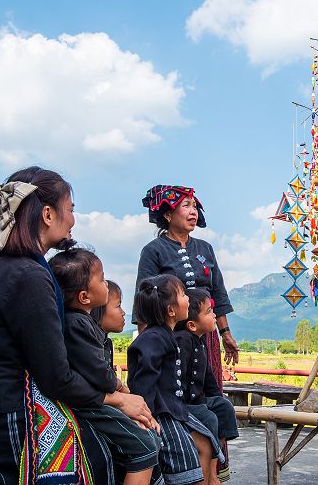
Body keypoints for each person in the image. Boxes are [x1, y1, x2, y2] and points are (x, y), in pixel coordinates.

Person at [0, 166, 155, 485]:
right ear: (48, 214)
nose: (73, 219)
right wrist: (119, 399)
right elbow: (56, 377)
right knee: (118, 455)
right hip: (3, 424)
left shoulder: (13, 270)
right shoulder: (29, 277)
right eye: (70, 210)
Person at [134, 184, 238, 479]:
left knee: (208, 396)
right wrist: (147, 344)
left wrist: (225, 332)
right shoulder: (153, 250)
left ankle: (215, 468)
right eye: (186, 206)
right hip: (170, 338)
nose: (193, 211)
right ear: (167, 214)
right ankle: (182, 463)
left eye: (195, 206)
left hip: (205, 336)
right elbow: (145, 297)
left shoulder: (205, 249)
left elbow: (217, 290)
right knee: (177, 397)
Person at [49, 247, 161, 485]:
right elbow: (99, 372)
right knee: (146, 447)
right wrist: (120, 387)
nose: (106, 284)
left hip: (94, 402)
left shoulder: (80, 324)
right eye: (101, 280)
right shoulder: (78, 324)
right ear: (85, 297)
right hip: (90, 406)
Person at [128, 274, 225, 485]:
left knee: (206, 444)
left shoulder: (167, 335)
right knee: (187, 465)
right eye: (182, 294)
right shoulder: (154, 338)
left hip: (175, 409)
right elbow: (143, 380)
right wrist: (146, 415)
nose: (188, 298)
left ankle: (211, 479)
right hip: (162, 412)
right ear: (171, 311)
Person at [174, 288, 239, 483]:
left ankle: (213, 472)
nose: (214, 315)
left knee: (223, 407)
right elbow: (175, 381)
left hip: (195, 401)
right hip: (179, 403)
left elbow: (209, 380)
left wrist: (218, 399)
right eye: (209, 312)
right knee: (209, 417)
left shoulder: (200, 342)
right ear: (192, 325)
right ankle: (204, 478)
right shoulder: (182, 341)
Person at [91, 279, 126, 367]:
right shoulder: (90, 344)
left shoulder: (107, 343)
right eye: (118, 306)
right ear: (99, 310)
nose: (123, 313)